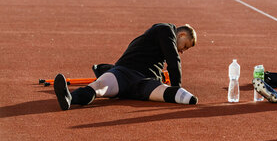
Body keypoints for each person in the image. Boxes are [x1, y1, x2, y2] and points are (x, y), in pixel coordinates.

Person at [53, 23, 198, 110]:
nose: (182, 51)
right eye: (185, 46)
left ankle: (182, 96)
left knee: (176, 95)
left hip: (143, 81)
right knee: (98, 87)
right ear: (182, 34)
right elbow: (174, 60)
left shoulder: (163, 43)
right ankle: (69, 98)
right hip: (124, 72)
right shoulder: (165, 30)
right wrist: (177, 85)